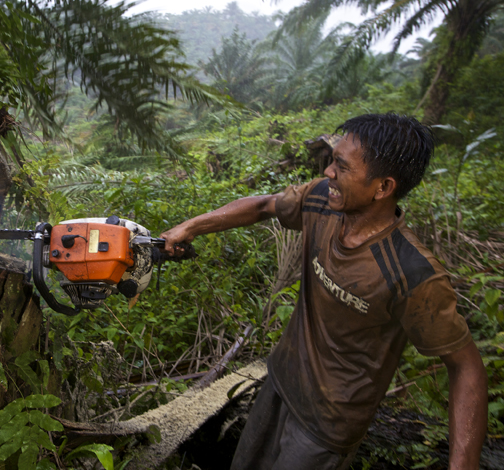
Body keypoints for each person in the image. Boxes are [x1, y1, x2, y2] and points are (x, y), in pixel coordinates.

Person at [160, 114, 487, 470]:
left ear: (382, 187)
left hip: (326, 427)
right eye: (333, 159)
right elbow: (264, 205)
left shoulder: (411, 274)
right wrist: (190, 227)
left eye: (342, 166)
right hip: (280, 385)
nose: (329, 172)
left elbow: (466, 366)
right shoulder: (321, 201)